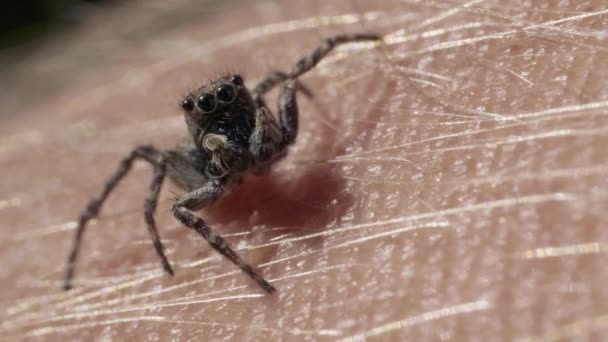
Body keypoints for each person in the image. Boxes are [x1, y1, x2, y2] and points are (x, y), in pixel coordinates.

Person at [1, 0, 605, 340]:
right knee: (148, 165)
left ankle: (381, 45)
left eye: (227, 96)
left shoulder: (258, 104)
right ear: (192, 120)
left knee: (290, 73)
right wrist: (170, 238)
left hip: (261, 156)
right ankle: (238, 269)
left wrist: (352, 43)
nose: (218, 108)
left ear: (239, 94)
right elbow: (168, 193)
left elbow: (290, 75)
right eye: (201, 109)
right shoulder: (199, 159)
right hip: (217, 180)